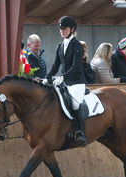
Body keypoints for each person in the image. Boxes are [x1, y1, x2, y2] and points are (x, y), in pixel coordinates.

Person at [45, 16, 87, 146]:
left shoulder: (77, 46)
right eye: (60, 29)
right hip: (65, 82)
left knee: (75, 104)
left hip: (76, 82)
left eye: (64, 28)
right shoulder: (61, 45)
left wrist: (63, 77)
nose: (62, 31)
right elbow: (55, 65)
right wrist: (47, 78)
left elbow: (76, 67)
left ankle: (81, 132)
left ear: (72, 29)